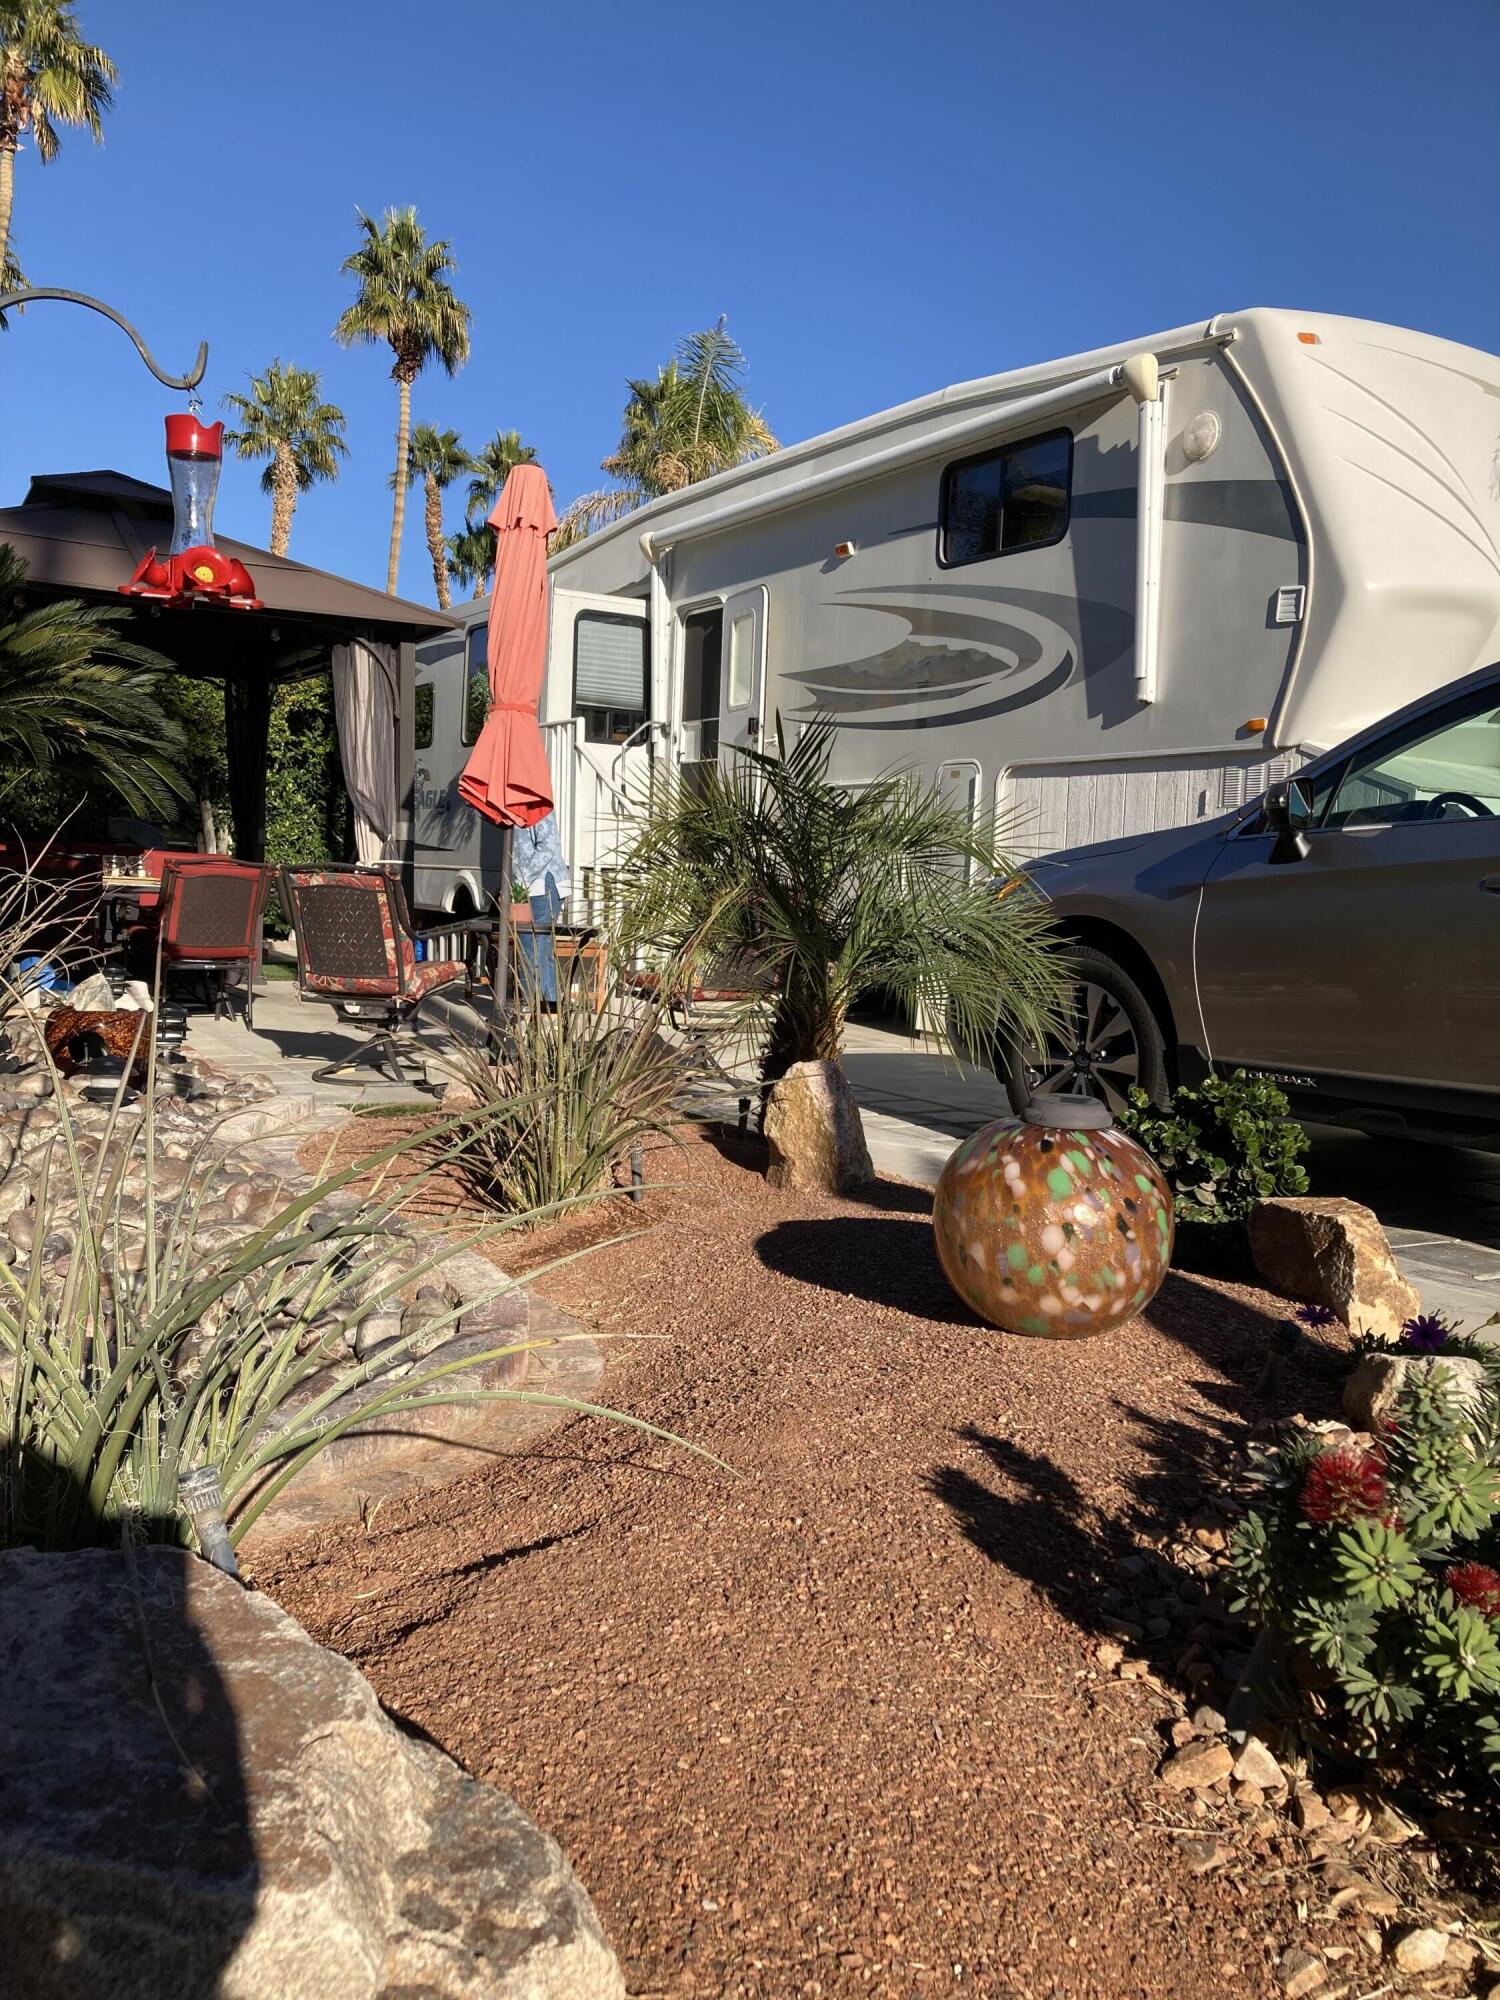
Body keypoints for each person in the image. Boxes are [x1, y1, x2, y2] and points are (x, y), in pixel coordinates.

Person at [510, 810, 571, 1004]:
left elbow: (547, 846)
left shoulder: (538, 804)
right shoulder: (515, 806)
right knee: (539, 951)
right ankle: (549, 1009)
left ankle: (530, 1007)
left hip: (542, 884)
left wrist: (522, 877)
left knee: (534, 950)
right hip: (529, 885)